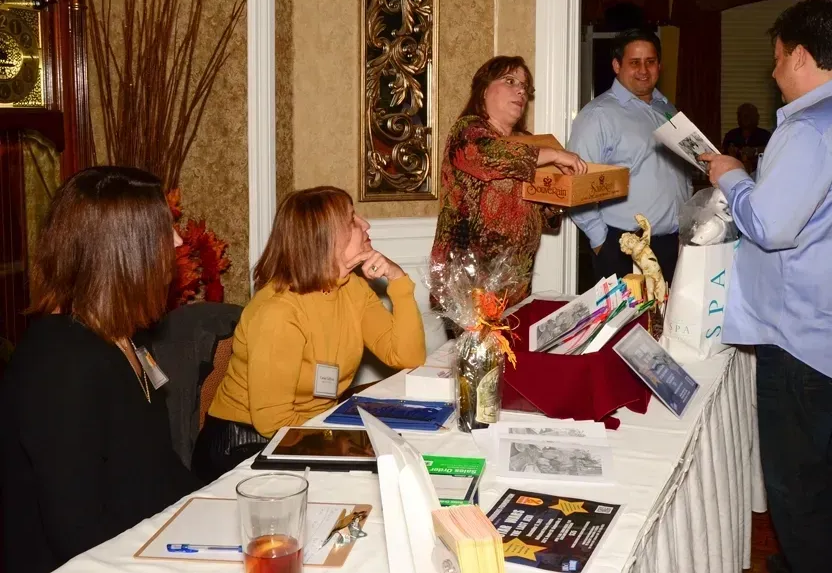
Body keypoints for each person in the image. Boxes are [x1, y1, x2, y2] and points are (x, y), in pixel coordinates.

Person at [701, 0, 832, 573]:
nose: (774, 72)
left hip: (802, 340)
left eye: (779, 59)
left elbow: (768, 227)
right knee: (829, 476)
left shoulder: (809, 128)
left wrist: (731, 176)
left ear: (803, 56)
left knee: (796, 496)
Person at [2, 166, 200, 573]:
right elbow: (77, 533)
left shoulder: (120, 336)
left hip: (145, 546)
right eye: (165, 230)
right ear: (124, 251)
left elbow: (155, 470)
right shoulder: (59, 364)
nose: (178, 242)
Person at [193, 186, 427, 482]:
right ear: (324, 240)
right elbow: (272, 422)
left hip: (311, 430)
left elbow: (407, 356)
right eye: (352, 220)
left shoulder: (350, 288)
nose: (365, 224)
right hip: (245, 447)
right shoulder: (279, 312)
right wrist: (345, 440)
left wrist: (398, 281)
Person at [430, 55, 586, 305]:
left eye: (525, 86)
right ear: (484, 90)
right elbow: (491, 154)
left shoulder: (528, 141)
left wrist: (562, 191)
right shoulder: (468, 131)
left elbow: (545, 213)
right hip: (469, 286)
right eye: (510, 81)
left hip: (514, 285)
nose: (521, 90)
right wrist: (555, 154)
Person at [568, 28, 691, 285]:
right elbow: (575, 185)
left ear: (660, 64)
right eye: (634, 63)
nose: (643, 70)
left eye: (650, 61)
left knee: (667, 322)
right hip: (623, 247)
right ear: (616, 65)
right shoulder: (598, 116)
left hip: (673, 243)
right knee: (629, 324)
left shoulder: (665, 106)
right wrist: (601, 241)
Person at [722, 103, 772, 173]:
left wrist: (755, 151)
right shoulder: (731, 135)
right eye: (743, 115)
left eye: (749, 115)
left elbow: (771, 155)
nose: (746, 118)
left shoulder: (765, 135)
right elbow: (724, 158)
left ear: (757, 117)